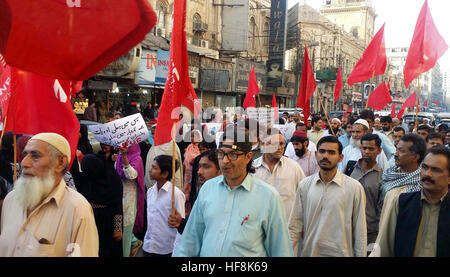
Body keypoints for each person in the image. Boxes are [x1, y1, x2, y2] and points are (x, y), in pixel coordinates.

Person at [173, 127, 293, 257]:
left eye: (233, 154)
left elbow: (281, 250)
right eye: (221, 154)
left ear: (248, 157)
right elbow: (190, 240)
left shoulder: (268, 197)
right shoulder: (208, 189)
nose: (225, 161)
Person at [0, 133, 99, 256]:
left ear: (60, 162)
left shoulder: (77, 209)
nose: (24, 163)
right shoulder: (11, 200)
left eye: (35, 156)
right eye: (25, 155)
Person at [288, 136, 367, 257]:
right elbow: (294, 226)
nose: (325, 156)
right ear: (316, 154)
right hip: (309, 253)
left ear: (340, 157)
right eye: (322, 151)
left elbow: (360, 231)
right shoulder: (305, 185)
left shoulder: (354, 188)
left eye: (331, 152)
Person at [373, 146, 450, 257]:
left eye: (436, 170)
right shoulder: (402, 202)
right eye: (425, 167)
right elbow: (385, 248)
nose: (427, 174)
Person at [377, 134, 426, 243]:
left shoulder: (422, 185)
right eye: (396, 150)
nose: (395, 154)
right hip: (383, 233)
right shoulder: (389, 175)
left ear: (415, 157)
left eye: (401, 151)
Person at [253, 128, 306, 219]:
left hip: (287, 228)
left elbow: (305, 196)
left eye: (281, 144)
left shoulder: (294, 168)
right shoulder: (252, 168)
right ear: (263, 144)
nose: (279, 148)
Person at [78, 154, 123, 257]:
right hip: (90, 219)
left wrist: (117, 228)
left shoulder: (112, 178)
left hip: (108, 220)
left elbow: (117, 205)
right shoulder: (86, 177)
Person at [168, 150, 221, 235]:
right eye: (199, 167)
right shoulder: (202, 192)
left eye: (206, 167)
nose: (199, 171)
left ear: (220, 170)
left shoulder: (225, 197)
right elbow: (195, 226)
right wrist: (181, 223)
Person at [143, 155, 185, 257]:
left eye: (154, 168)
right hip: (148, 245)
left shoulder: (176, 194)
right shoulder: (150, 192)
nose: (150, 170)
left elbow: (180, 224)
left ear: (165, 174)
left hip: (166, 249)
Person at [350, 134, 383, 246]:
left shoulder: (382, 175)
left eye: (371, 149)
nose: (367, 152)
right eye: (364, 148)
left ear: (379, 150)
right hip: (348, 227)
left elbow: (380, 206)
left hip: (370, 231)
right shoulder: (350, 168)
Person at [115, 143, 145, 257]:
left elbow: (131, 175)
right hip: (119, 196)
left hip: (129, 199)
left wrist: (124, 157)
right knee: (121, 231)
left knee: (125, 233)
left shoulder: (137, 159)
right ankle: (135, 242)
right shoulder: (119, 157)